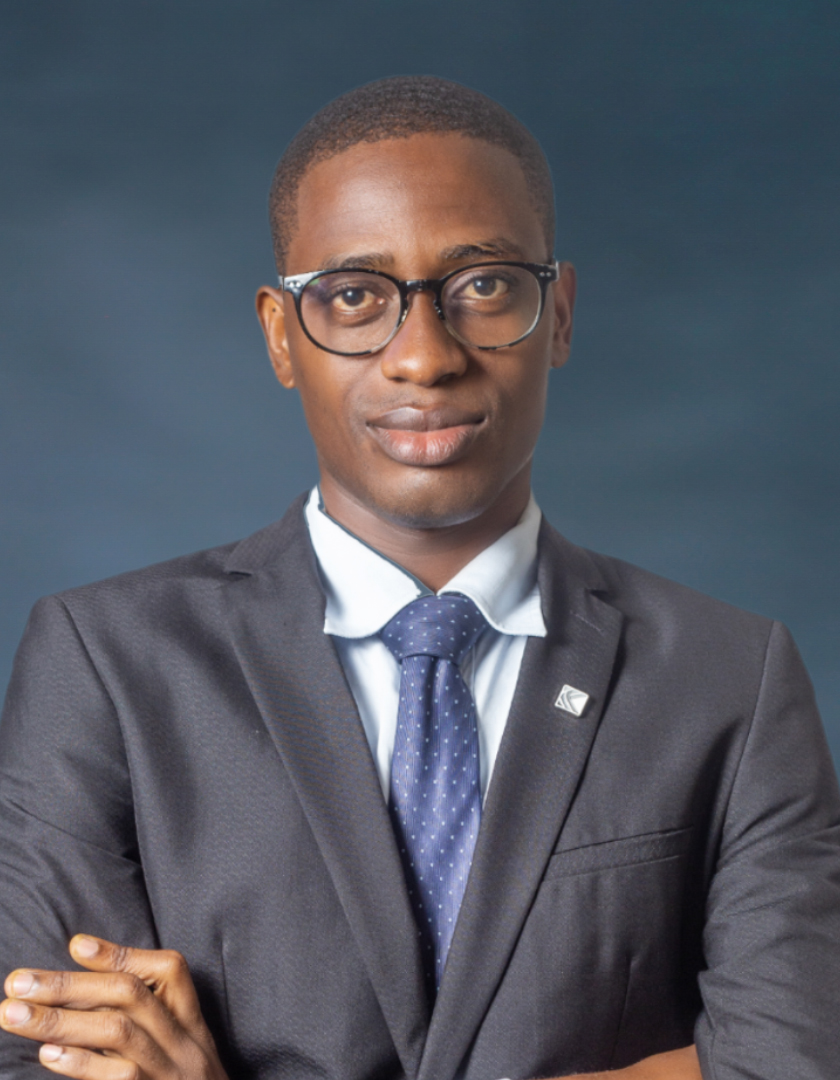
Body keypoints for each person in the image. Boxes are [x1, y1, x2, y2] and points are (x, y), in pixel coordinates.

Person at [0, 76, 838, 1080]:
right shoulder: (104, 664)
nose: (425, 357)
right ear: (280, 334)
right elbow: (37, 1062)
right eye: (355, 297)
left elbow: (792, 1063)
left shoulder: (730, 678)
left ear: (558, 314)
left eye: (483, 285)